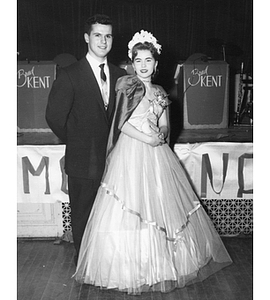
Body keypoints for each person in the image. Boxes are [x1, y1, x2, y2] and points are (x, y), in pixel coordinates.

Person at [73, 30, 232, 294]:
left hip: (156, 152)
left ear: (156, 64)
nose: (143, 66)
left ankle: (162, 264)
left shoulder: (159, 91)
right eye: (138, 61)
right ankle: (129, 268)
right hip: (132, 151)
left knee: (159, 202)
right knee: (133, 202)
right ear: (131, 64)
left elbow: (165, 123)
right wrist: (147, 139)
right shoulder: (127, 85)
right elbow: (120, 124)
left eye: (148, 60)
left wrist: (162, 133)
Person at [45, 14, 126, 264]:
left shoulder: (120, 74)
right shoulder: (70, 74)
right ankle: (85, 266)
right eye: (98, 35)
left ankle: (108, 265)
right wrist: (80, 141)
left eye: (108, 35)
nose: (103, 40)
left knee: (113, 216)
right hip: (82, 162)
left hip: (115, 161)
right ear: (86, 37)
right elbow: (54, 117)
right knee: (82, 217)